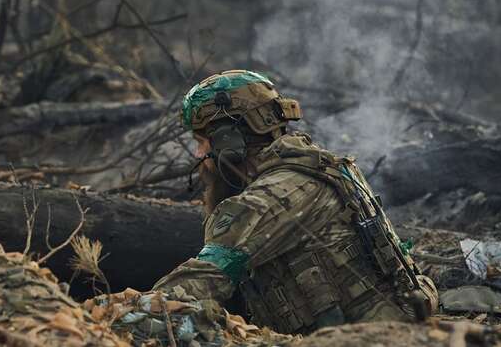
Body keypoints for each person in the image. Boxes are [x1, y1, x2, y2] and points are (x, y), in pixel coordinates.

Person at [152, 69, 438, 335]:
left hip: (363, 337)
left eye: (201, 141)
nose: (198, 154)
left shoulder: (272, 196)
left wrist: (120, 313)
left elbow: (199, 281)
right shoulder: (323, 167)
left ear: (229, 140)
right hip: (393, 328)